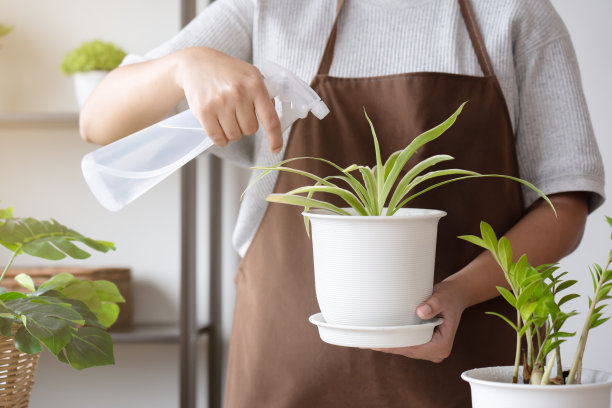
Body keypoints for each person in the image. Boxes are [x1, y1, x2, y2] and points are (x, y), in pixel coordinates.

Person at [80, 0, 605, 406]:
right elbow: (99, 119)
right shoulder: (271, 10)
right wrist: (184, 66)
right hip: (287, 366)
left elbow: (564, 202)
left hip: (474, 366)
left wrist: (459, 292)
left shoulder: (514, 14)